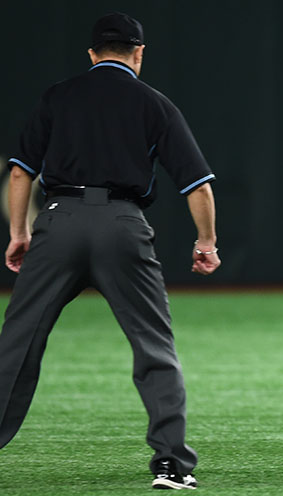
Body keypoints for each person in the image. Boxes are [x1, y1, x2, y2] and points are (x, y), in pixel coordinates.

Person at [0, 12, 220, 489]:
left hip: (57, 221)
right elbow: (198, 186)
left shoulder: (58, 96)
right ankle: (171, 465)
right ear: (138, 53)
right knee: (153, 346)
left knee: (17, 342)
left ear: (92, 53)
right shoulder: (154, 104)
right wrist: (206, 241)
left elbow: (20, 172)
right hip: (122, 224)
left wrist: (19, 232)